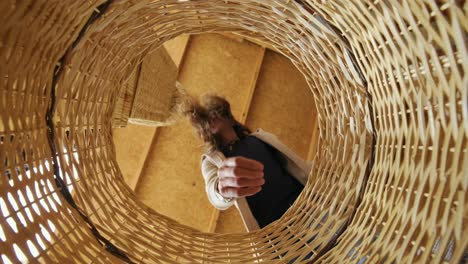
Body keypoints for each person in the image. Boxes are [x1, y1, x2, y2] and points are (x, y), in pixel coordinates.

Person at [182, 93, 313, 232]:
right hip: (278, 230)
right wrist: (222, 189)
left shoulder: (259, 137)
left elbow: (294, 164)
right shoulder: (211, 161)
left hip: (307, 202)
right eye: (205, 118)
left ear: (228, 116)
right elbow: (213, 193)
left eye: (214, 113)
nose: (211, 119)